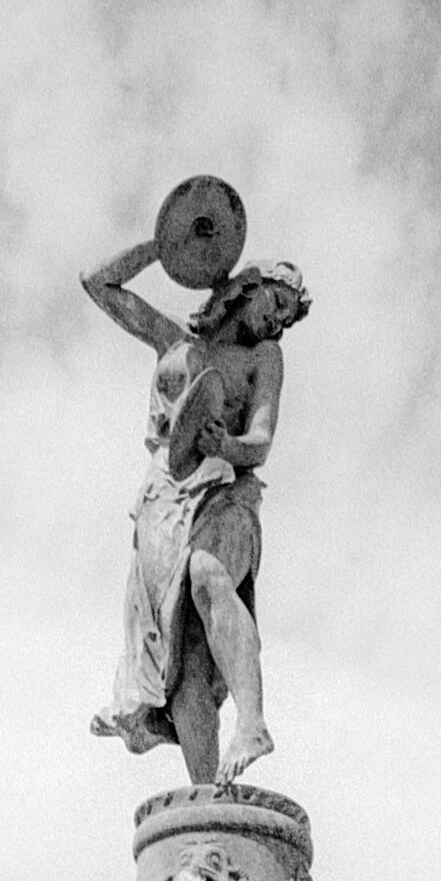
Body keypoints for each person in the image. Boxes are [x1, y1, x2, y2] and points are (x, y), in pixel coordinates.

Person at [82, 238, 312, 785]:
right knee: (178, 663)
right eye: (275, 302)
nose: (278, 321)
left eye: (286, 316)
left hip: (226, 490)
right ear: (246, 287)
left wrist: (223, 446)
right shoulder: (173, 341)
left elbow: (259, 441)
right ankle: (208, 799)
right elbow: (98, 283)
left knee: (209, 574)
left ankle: (252, 724)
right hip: (164, 500)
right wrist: (166, 244)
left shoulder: (263, 359)